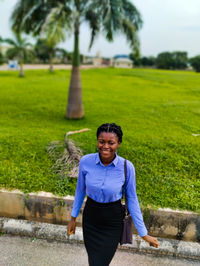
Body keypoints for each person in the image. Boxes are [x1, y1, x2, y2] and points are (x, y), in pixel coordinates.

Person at [67, 123, 159, 265]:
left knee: (102, 261)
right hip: (91, 218)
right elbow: (80, 190)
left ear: (119, 144)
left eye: (111, 143)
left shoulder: (127, 167)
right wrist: (73, 218)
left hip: (112, 221)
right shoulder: (86, 162)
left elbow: (132, 199)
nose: (105, 146)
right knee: (93, 260)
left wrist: (144, 233)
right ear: (97, 141)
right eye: (101, 141)